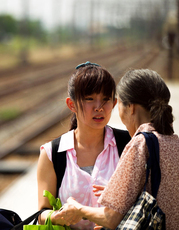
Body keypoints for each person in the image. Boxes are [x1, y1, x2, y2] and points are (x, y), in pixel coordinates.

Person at [54, 69, 179, 230]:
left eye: (119, 103)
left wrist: (77, 209)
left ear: (131, 107)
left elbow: (110, 218)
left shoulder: (139, 144)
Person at [37, 61, 131, 229]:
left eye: (105, 99)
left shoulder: (128, 145)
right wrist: (58, 216)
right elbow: (42, 213)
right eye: (89, 99)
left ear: (114, 103)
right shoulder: (52, 154)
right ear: (71, 104)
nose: (99, 107)